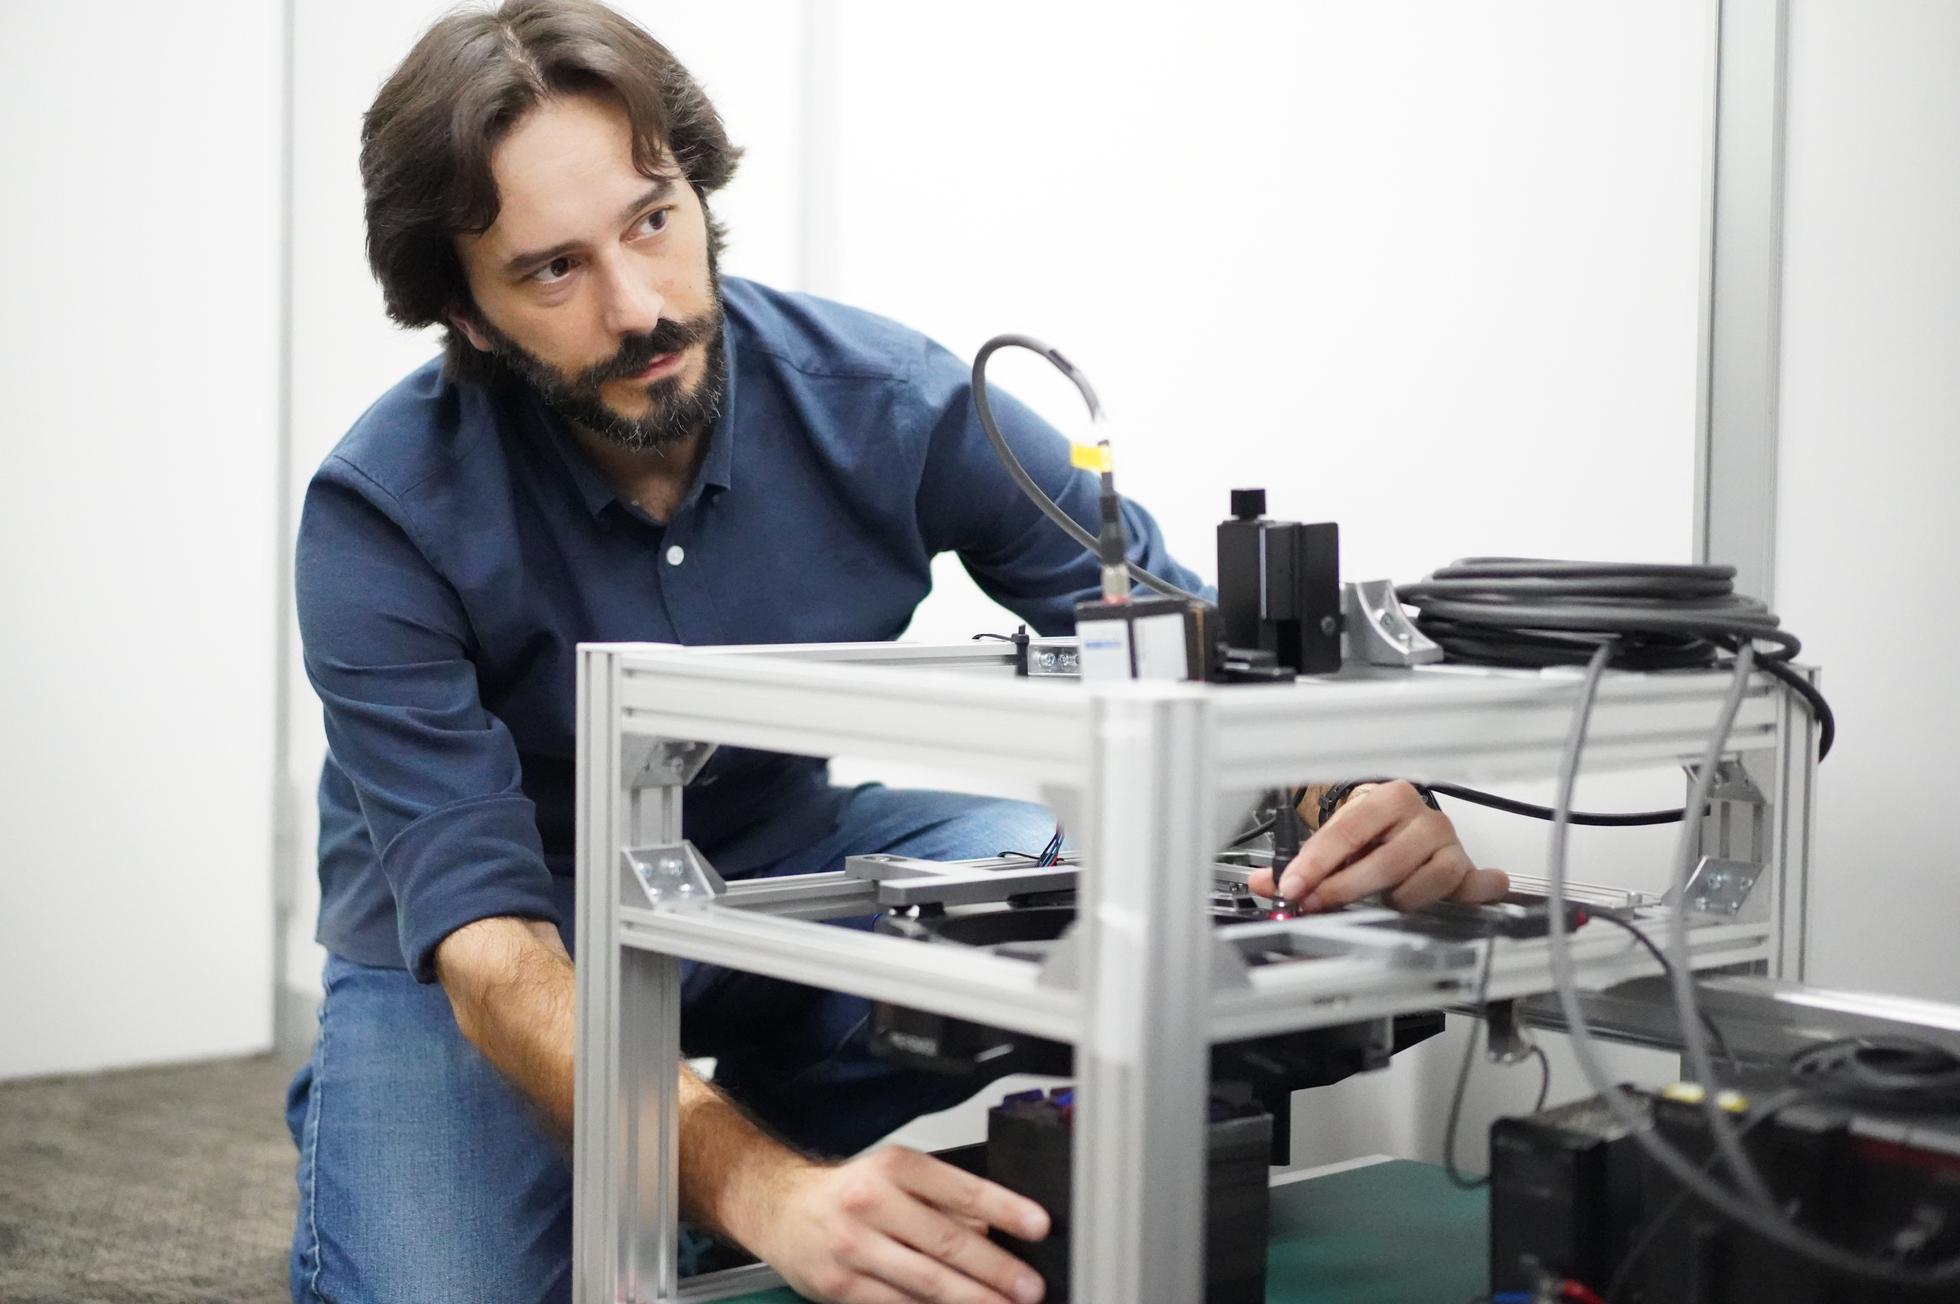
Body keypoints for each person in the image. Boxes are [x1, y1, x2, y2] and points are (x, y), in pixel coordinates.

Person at [283, 3, 1510, 1301]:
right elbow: (488, 952)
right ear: (468, 316)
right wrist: (763, 1191)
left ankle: (713, 1157)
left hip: (774, 866)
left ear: (696, 190)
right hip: (498, 938)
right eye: (552, 270)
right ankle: (665, 1163)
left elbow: (1181, 657)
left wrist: (1350, 802)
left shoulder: (893, 402)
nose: (641, 307)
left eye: (653, 220)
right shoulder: (381, 513)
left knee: (1114, 897)